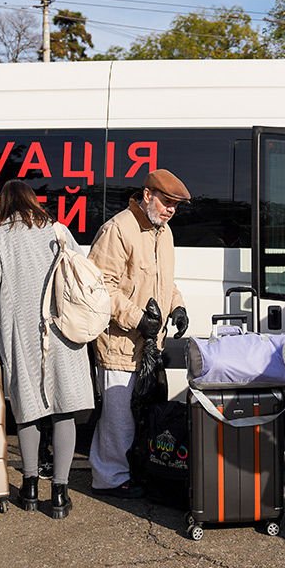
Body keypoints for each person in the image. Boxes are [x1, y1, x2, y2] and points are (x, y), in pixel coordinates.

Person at [0, 180, 95, 519]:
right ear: (32, 201)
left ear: (4, 206)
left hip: (21, 334)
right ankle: (59, 492)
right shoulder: (58, 232)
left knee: (27, 408)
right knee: (64, 409)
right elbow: (81, 274)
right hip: (63, 331)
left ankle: (28, 488)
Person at [87, 169, 190, 500]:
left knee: (143, 415)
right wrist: (136, 319)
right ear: (148, 195)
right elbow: (100, 286)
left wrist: (177, 306)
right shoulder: (118, 229)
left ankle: (134, 471)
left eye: (175, 205)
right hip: (119, 342)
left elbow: (165, 280)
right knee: (118, 417)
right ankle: (109, 478)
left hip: (149, 344)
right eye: (167, 202)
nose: (171, 210)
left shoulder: (164, 232)